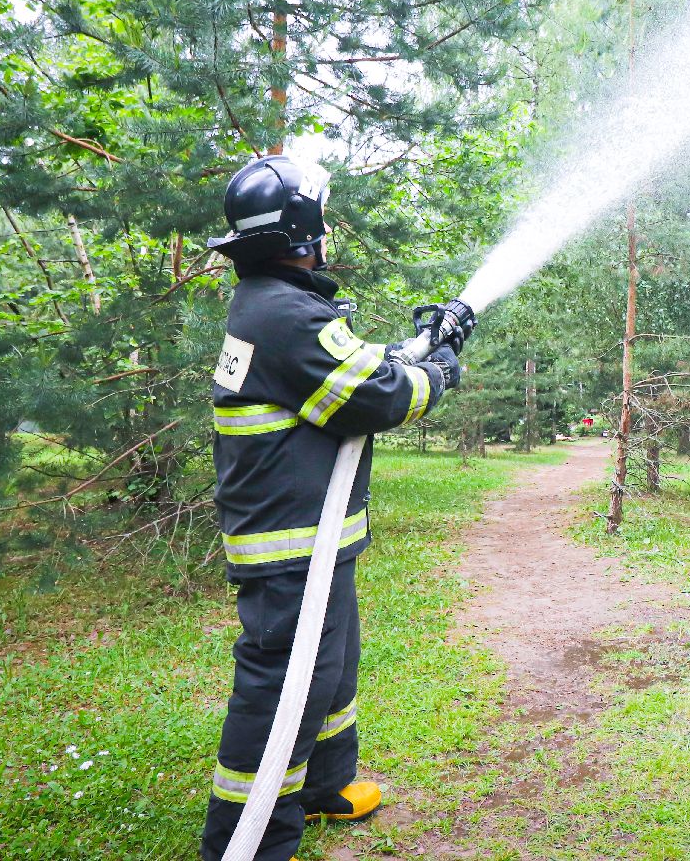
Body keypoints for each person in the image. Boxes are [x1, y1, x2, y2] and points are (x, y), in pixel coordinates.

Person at [201, 154, 464, 861]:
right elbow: (372, 397)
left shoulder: (272, 303)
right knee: (282, 689)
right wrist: (435, 377)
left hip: (312, 539)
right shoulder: (282, 312)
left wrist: (417, 346)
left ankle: (323, 787)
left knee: (331, 671)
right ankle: (248, 839)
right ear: (302, 233)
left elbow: (346, 363)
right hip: (289, 548)